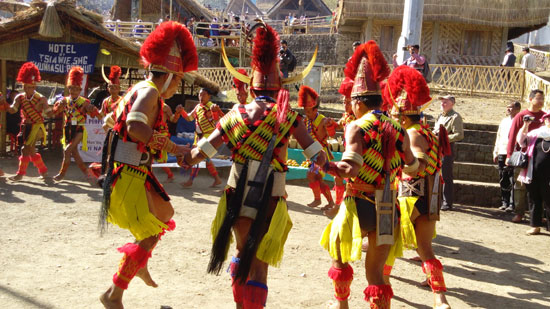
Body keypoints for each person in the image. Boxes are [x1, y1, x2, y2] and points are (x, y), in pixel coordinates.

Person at [181, 21, 324, 309]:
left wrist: (184, 155)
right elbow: (318, 154)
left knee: (240, 250)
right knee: (259, 265)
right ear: (280, 84)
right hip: (271, 198)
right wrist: (321, 166)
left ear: (251, 84)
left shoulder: (235, 113)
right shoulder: (289, 118)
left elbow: (204, 151)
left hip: (237, 196)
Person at [98, 21, 196, 308]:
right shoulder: (150, 91)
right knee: (153, 231)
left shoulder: (137, 90)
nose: (178, 86)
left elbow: (111, 122)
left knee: (165, 215)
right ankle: (113, 293)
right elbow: (134, 127)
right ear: (168, 76)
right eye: (178, 80)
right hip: (128, 173)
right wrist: (175, 146)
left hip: (133, 171)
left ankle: (138, 262)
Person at [320, 40, 417, 309]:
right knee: (376, 275)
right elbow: (413, 167)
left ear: (358, 103)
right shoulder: (398, 128)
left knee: (338, 253)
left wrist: (325, 166)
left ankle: (342, 306)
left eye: (351, 101)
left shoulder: (356, 127)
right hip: (388, 206)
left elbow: (350, 168)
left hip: (359, 203)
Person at [384, 65, 451, 309]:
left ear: (402, 117)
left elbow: (418, 164)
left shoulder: (411, 134)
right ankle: (439, 298)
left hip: (411, 196)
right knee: (426, 249)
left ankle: (382, 287)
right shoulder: (429, 131)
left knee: (390, 242)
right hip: (430, 193)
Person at [3, 62, 52, 181]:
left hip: (37, 127)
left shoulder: (41, 98)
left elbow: (49, 113)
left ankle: (20, 174)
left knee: (25, 149)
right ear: (23, 85)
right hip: (26, 127)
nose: (30, 88)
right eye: (27, 86)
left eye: (32, 86)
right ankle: (44, 171)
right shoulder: (19, 97)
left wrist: (53, 109)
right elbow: (13, 110)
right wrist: (3, 103)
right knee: (30, 151)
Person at [52, 66, 100, 181]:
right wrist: (58, 107)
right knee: (75, 153)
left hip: (79, 130)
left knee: (67, 150)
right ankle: (88, 173)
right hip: (67, 129)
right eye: (71, 88)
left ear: (80, 90)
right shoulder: (64, 101)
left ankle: (61, 174)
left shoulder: (84, 102)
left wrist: (92, 109)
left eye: (75, 89)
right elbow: (54, 112)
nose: (73, 91)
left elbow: (95, 115)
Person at [506, 89, 546, 223]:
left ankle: (538, 216)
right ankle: (519, 212)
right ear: (530, 99)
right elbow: (512, 136)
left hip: (539, 158)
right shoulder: (521, 116)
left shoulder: (545, 117)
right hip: (522, 156)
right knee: (519, 185)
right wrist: (509, 155)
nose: (541, 101)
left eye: (542, 99)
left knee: (539, 187)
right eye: (538, 98)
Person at [299, 85, 337, 209]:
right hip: (313, 153)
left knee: (312, 175)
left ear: (315, 110)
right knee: (316, 178)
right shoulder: (307, 121)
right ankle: (323, 201)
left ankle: (323, 200)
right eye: (305, 111)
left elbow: (332, 133)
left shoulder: (322, 120)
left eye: (309, 111)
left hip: (322, 153)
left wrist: (330, 125)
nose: (307, 113)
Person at [324, 77, 355, 219]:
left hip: (357, 156)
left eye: (348, 102)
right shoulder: (347, 117)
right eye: (344, 102)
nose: (345, 105)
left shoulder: (359, 118)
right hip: (347, 153)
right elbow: (335, 129)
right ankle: (338, 205)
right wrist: (330, 123)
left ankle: (340, 207)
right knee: (337, 177)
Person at [179, 88, 223, 188]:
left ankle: (190, 180)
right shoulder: (198, 107)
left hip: (209, 136)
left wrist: (215, 112)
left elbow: (217, 120)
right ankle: (217, 179)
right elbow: (189, 118)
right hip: (198, 137)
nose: (201, 97)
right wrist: (182, 111)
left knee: (197, 158)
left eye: (203, 95)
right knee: (205, 159)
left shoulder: (212, 107)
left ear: (209, 96)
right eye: (199, 95)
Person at [516, 112, 550, 235]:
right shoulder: (536, 134)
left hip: (548, 176)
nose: (549, 120)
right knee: (534, 199)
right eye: (547, 118)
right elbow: (521, 141)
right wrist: (525, 125)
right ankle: (535, 226)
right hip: (533, 173)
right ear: (544, 120)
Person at [433, 95, 464, 211]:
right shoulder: (439, 116)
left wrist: (443, 138)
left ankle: (447, 201)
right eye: (442, 102)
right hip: (437, 148)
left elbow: (459, 134)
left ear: (452, 103)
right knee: (437, 174)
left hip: (447, 148)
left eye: (445, 102)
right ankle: (438, 199)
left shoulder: (455, 117)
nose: (442, 104)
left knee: (446, 175)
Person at [493, 101, 521, 212]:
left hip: (514, 153)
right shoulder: (504, 121)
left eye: (511, 107)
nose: (508, 109)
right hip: (502, 151)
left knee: (512, 178)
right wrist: (496, 151)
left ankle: (512, 203)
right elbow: (498, 136)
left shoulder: (519, 121)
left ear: (518, 109)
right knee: (503, 177)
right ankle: (504, 202)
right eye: (507, 107)